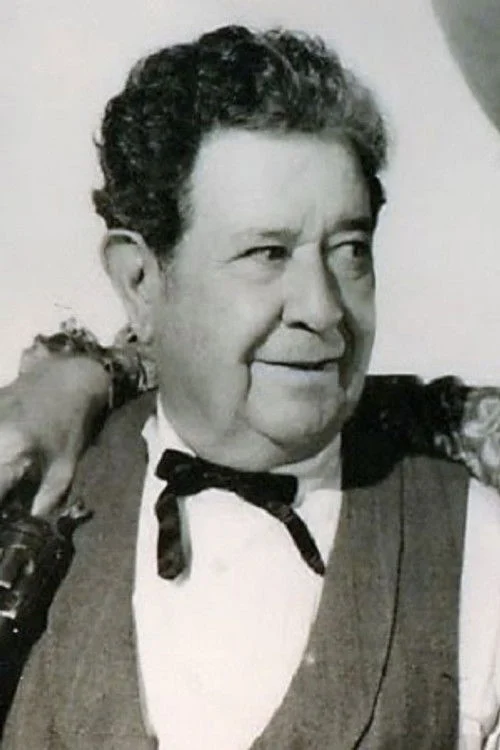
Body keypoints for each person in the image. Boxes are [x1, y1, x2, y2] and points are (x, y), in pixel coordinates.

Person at [3, 24, 500, 750]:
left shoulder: (479, 551)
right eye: (267, 253)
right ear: (139, 281)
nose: (323, 308)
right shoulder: (33, 492)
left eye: (351, 251)